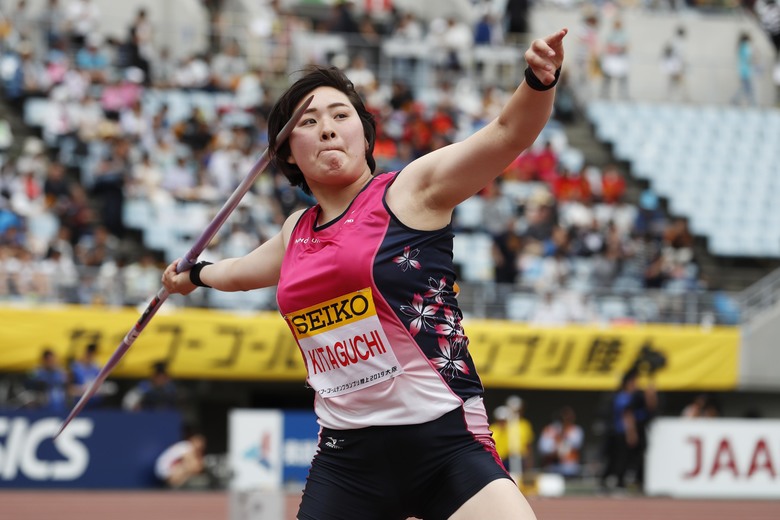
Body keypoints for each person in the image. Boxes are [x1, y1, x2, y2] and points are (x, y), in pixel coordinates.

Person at [162, 28, 567, 520]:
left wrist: (539, 81)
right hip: (347, 461)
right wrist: (193, 276)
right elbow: (240, 272)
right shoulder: (297, 232)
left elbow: (506, 134)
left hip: (444, 443)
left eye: (340, 115)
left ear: (364, 133)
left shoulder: (409, 193)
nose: (328, 128)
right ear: (288, 151)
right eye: (309, 122)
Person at [600, 367, 657, 493]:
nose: (636, 384)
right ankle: (613, 482)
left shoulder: (637, 396)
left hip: (635, 431)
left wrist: (650, 392)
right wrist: (631, 433)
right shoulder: (622, 397)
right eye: (634, 382)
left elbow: (650, 407)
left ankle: (633, 481)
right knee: (619, 458)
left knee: (636, 458)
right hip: (621, 432)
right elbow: (627, 414)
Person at [538, 406, 584, 478]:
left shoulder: (576, 430)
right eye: (563, 418)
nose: (565, 420)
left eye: (568, 418)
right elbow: (543, 448)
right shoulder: (549, 430)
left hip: (570, 469)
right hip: (552, 468)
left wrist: (563, 436)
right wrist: (555, 447)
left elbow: (575, 445)